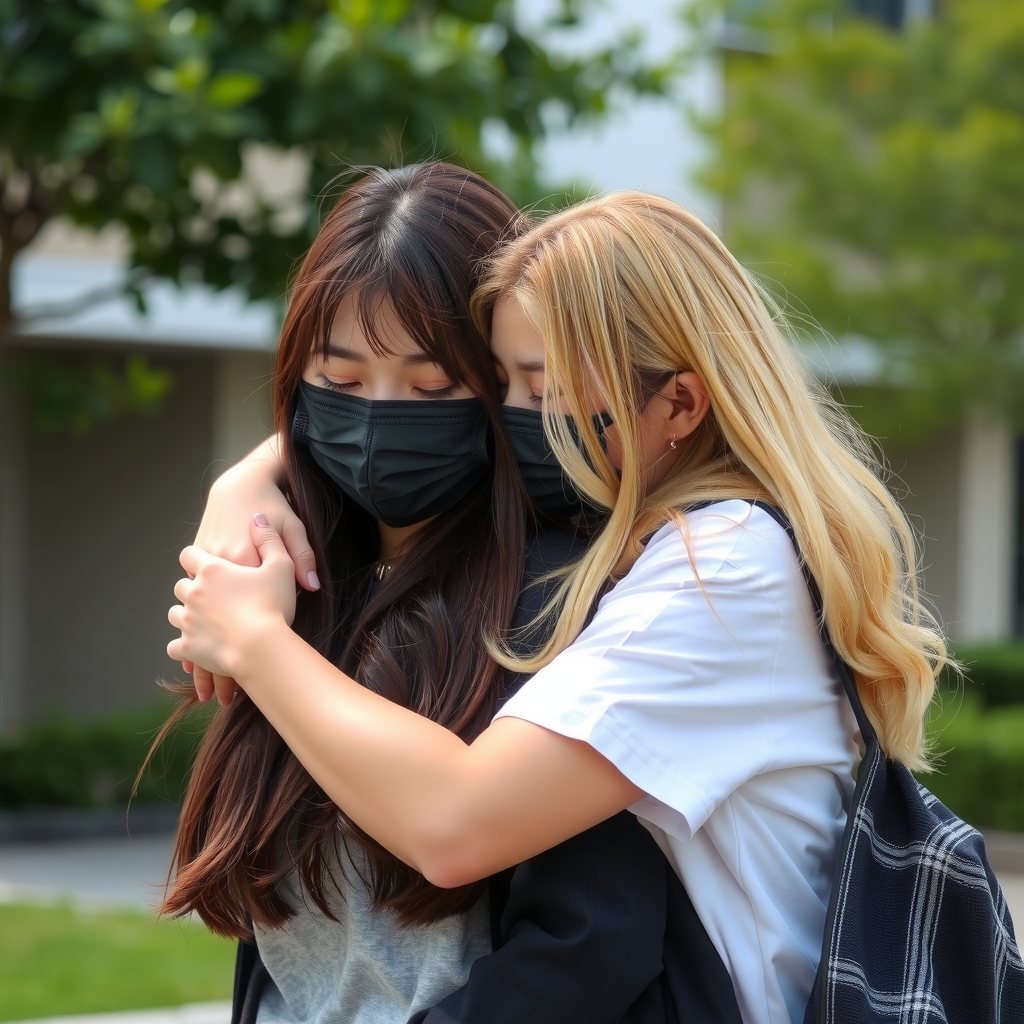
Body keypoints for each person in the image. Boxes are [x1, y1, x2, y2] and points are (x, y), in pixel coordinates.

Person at [170, 192, 947, 1024]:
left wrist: (253, 637)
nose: (510, 424)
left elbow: (461, 825)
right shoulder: (622, 544)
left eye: (539, 390)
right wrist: (255, 477)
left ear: (680, 404)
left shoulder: (718, 567)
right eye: (502, 384)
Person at [158, 165, 683, 1024]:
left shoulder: (563, 597)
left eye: (435, 388)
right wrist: (252, 476)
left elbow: (593, 942)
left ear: (508, 382)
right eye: (344, 379)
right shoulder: (291, 585)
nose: (381, 421)